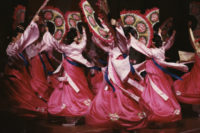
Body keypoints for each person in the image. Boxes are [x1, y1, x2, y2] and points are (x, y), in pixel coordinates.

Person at [128, 26, 189, 123]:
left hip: (154, 77)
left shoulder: (152, 52)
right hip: (161, 76)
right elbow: (168, 43)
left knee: (156, 94)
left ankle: (160, 111)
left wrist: (132, 38)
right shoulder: (161, 49)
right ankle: (170, 109)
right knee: (166, 92)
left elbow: (141, 47)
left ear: (152, 43)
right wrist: (170, 35)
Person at [47, 26, 94, 125]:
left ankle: (71, 115)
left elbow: (56, 44)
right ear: (74, 38)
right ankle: (76, 113)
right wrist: (84, 31)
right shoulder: (78, 46)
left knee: (69, 88)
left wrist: (51, 34)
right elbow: (84, 41)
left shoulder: (65, 47)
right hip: (76, 70)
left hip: (69, 68)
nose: (79, 37)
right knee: (79, 87)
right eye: (77, 36)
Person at [4, 15, 48, 116]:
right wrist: (32, 23)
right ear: (14, 37)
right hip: (13, 78)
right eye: (19, 35)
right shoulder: (11, 48)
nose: (21, 37)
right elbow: (23, 40)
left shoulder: (20, 50)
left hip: (21, 76)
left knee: (29, 95)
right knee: (24, 98)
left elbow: (27, 43)